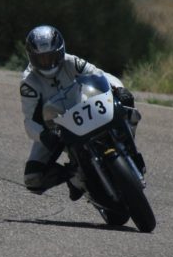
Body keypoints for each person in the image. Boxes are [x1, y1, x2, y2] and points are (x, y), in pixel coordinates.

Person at [19, 24, 138, 198]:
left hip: (84, 107)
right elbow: (29, 120)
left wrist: (119, 88)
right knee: (33, 178)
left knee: (128, 110)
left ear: (60, 51)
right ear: (31, 57)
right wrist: (44, 135)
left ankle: (128, 147)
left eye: (51, 56)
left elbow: (99, 74)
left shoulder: (70, 61)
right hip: (55, 126)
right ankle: (75, 177)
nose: (47, 62)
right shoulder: (29, 82)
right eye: (41, 59)